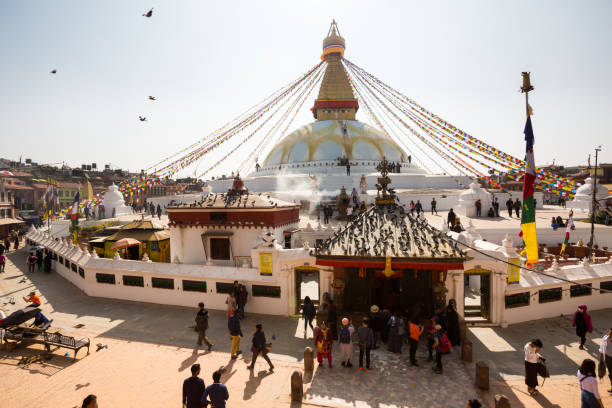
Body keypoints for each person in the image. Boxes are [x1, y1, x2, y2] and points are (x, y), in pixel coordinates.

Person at [599, 327, 612, 394]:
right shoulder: (605, 338)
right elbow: (601, 349)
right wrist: (601, 360)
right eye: (609, 333)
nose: (610, 335)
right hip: (608, 358)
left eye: (611, 334)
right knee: (611, 373)